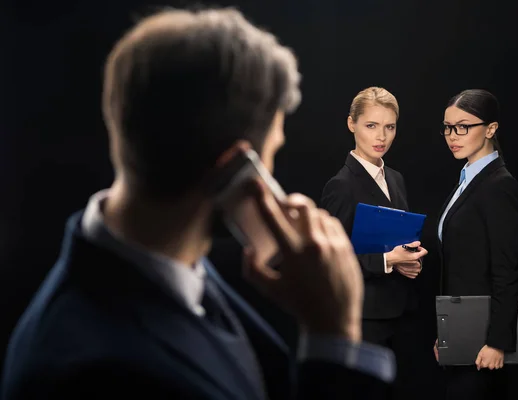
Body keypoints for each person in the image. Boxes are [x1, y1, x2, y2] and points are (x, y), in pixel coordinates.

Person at [0, 8, 397, 400]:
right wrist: (335, 338)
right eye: (273, 150)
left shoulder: (170, 263)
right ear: (237, 168)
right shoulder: (97, 373)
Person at [320, 87, 430, 399]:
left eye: (389, 126)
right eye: (371, 125)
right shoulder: (340, 186)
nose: (381, 136)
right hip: (365, 316)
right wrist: (388, 261)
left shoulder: (395, 178)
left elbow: (399, 238)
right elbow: (333, 261)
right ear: (351, 124)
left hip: (402, 312)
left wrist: (410, 258)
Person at [433, 89, 518, 400]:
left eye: (463, 126)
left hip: (485, 341)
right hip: (461, 332)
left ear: (491, 129)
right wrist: (447, 334)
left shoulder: (499, 185)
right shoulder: (468, 180)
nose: (452, 136)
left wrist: (498, 342)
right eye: (447, 127)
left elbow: (506, 270)